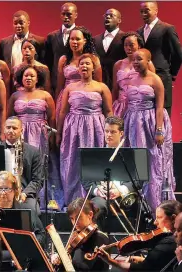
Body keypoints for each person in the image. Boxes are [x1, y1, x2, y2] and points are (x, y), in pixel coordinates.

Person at [57, 53, 112, 204]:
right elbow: (63, 112)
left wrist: (111, 132)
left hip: (95, 127)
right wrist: (59, 132)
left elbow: (108, 111)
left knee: (94, 161)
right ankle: (74, 200)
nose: (84, 66)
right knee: (73, 160)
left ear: (94, 68)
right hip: (73, 129)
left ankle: (96, 199)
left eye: (88, 63)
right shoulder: (70, 87)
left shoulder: (101, 87)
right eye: (81, 64)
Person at [124, 48, 174, 210]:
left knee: (152, 159)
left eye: (140, 59)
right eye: (134, 60)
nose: (136, 62)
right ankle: (138, 199)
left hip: (150, 122)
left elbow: (160, 107)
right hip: (133, 122)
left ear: (148, 60)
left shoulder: (155, 80)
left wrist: (159, 130)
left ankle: (154, 201)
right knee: (137, 159)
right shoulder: (130, 79)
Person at [95, 200, 182, 271]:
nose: (155, 222)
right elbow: (162, 262)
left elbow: (143, 269)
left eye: (159, 217)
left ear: (173, 218)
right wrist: (142, 259)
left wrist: (110, 260)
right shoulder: (168, 240)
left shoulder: (170, 242)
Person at [83, 116, 141, 218]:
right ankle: (99, 234)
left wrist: (120, 190)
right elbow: (87, 181)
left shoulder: (131, 155)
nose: (109, 135)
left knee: (142, 208)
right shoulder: (95, 155)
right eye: (106, 131)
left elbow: (138, 181)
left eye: (113, 132)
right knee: (95, 207)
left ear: (121, 133)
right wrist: (98, 191)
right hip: (101, 197)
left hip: (124, 195)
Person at [137, 1, 182, 115]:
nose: (143, 14)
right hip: (144, 79)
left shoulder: (167, 29)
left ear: (156, 11)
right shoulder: (139, 31)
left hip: (161, 75)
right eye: (141, 12)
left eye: (146, 10)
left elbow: (178, 53)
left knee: (163, 111)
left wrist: (171, 73)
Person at [55, 26, 102, 120]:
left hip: (87, 98)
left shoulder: (94, 59)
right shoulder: (64, 60)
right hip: (67, 98)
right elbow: (59, 86)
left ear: (85, 41)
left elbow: (99, 84)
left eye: (78, 39)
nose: (74, 42)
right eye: (72, 39)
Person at [0, 171, 45, 246]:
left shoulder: (26, 210)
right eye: (0, 189)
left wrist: (28, 243)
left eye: (7, 189)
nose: (3, 193)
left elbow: (41, 235)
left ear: (15, 191)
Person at [0, 117, 45, 213]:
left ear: (21, 130)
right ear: (4, 129)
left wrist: (25, 193)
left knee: (33, 211)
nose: (11, 130)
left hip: (24, 194)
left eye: (14, 128)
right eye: (8, 127)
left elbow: (38, 180)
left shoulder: (34, 152)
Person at [50, 198, 109, 271]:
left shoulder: (101, 237)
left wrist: (68, 262)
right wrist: (58, 260)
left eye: (78, 217)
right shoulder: (76, 235)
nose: (75, 222)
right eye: (72, 218)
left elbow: (86, 267)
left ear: (90, 215)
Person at [112, 32, 155, 117]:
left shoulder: (147, 63)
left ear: (139, 46)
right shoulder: (118, 64)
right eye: (125, 45)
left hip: (139, 105)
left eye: (131, 45)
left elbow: (153, 86)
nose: (128, 48)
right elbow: (115, 88)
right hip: (120, 105)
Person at [44, 2, 78, 92]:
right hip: (56, 82)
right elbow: (48, 61)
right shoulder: (52, 36)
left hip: (76, 82)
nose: (66, 17)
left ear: (76, 15)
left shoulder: (82, 35)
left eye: (69, 14)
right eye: (63, 14)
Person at [94, 9, 126, 91]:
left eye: (111, 15)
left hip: (119, 83)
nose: (107, 17)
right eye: (106, 16)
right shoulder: (95, 39)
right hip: (99, 83)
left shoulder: (125, 38)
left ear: (119, 20)